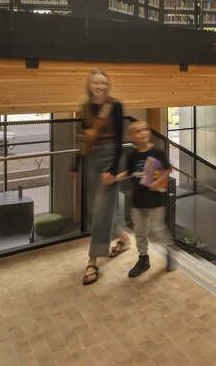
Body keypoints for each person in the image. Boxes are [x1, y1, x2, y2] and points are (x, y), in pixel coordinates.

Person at [104, 120, 176, 277]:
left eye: (145, 129)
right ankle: (143, 259)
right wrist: (114, 178)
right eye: (138, 131)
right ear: (131, 137)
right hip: (137, 201)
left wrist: (158, 182)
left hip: (155, 201)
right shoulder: (133, 155)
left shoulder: (157, 152)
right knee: (140, 233)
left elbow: (167, 169)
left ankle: (169, 249)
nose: (143, 132)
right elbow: (129, 172)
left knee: (157, 231)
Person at [77, 69, 129, 285]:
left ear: (107, 85)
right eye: (96, 82)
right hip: (92, 159)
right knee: (105, 206)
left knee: (100, 210)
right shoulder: (85, 108)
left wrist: (114, 169)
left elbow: (119, 140)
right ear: (89, 85)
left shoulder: (115, 106)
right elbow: (84, 140)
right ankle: (124, 237)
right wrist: (74, 166)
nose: (100, 86)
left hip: (110, 158)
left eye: (103, 83)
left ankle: (92, 260)